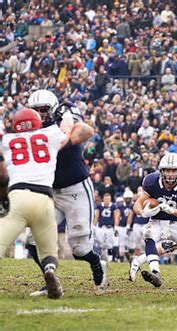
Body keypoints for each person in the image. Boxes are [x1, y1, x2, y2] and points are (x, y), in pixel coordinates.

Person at [26, 90, 107, 296]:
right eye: (34, 111)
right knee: (34, 241)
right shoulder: (28, 130)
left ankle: (97, 264)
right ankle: (51, 281)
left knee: (79, 248)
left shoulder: (65, 115)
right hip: (49, 191)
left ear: (52, 109)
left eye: (43, 110)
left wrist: (61, 142)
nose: (38, 115)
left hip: (76, 189)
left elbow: (86, 130)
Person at [0, 107, 73, 299]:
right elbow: (69, 130)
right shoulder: (50, 133)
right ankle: (49, 270)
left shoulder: (6, 141)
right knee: (49, 251)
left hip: (17, 197)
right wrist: (66, 116)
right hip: (44, 199)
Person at [132, 153, 177, 288]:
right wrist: (142, 212)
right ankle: (156, 272)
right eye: (167, 170)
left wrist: (172, 210)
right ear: (162, 171)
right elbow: (137, 204)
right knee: (148, 234)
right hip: (157, 221)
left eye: (174, 170)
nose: (170, 174)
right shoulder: (152, 181)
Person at [94, 193, 119, 262]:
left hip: (109, 227)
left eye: (108, 199)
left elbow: (116, 217)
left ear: (110, 199)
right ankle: (98, 258)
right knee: (99, 243)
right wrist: (93, 226)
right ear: (103, 199)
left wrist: (116, 227)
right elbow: (96, 217)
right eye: (105, 199)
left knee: (109, 244)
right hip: (101, 227)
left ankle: (110, 259)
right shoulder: (99, 206)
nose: (107, 201)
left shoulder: (113, 206)